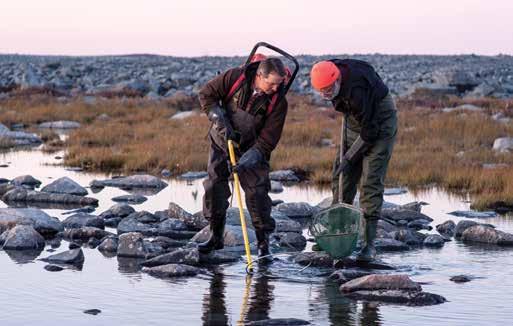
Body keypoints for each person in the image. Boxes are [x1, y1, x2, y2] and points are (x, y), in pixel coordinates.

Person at [198, 57, 289, 263]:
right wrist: (217, 118)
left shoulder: (278, 102)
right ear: (259, 76)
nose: (276, 88)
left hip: (252, 149)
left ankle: (263, 244)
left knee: (257, 192)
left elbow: (269, 138)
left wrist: (254, 155)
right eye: (271, 83)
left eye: (279, 83)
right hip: (221, 141)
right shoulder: (234, 77)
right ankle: (215, 236)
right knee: (214, 186)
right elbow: (206, 95)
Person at [310, 59, 397, 262]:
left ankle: (369, 243)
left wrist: (349, 158)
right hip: (354, 122)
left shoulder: (357, 91)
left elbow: (370, 132)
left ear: (338, 79)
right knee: (341, 178)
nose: (325, 95)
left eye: (329, 90)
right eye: (321, 91)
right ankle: (337, 235)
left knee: (370, 182)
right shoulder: (330, 69)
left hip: (380, 125)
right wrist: (346, 162)